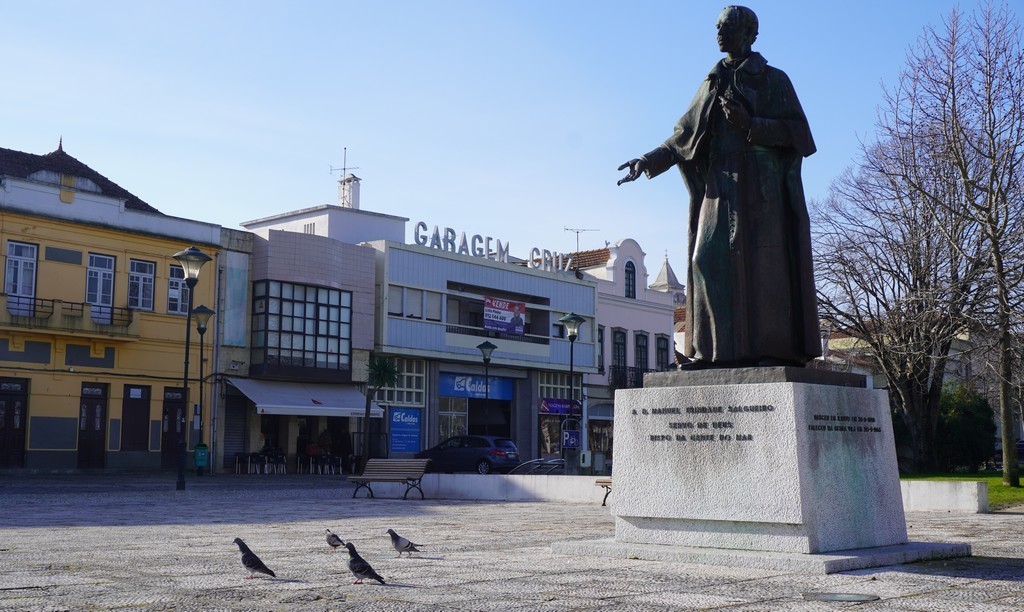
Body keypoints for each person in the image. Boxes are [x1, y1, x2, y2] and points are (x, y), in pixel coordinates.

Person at [618, 5, 820, 368]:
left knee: (764, 264)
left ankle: (771, 351)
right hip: (719, 184)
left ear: (749, 34)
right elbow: (683, 136)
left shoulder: (773, 80)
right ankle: (714, 352)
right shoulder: (712, 82)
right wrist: (648, 160)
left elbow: (801, 135)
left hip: (761, 184)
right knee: (706, 260)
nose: (718, 33)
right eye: (717, 27)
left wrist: (751, 124)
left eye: (726, 27)